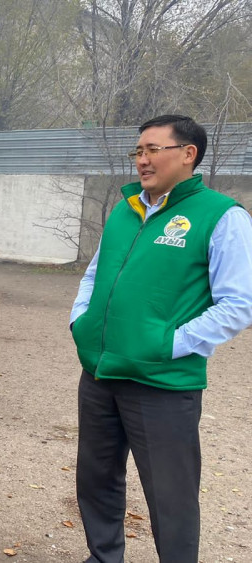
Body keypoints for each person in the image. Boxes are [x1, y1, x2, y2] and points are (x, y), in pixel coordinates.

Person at [70, 115, 252, 562]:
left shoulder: (222, 216)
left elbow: (239, 303)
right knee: (96, 481)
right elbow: (96, 272)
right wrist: (81, 319)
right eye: (138, 151)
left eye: (153, 149)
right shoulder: (125, 207)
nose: (142, 160)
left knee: (170, 497)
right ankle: (103, 556)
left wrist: (166, 343)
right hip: (100, 372)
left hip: (163, 384)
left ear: (188, 154)